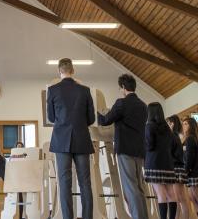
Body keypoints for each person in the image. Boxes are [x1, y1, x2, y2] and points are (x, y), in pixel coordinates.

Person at [47, 58, 95, 219]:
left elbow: (51, 117)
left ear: (59, 71)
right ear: (73, 70)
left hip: (61, 141)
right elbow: (91, 119)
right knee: (85, 183)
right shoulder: (85, 90)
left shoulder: (53, 90)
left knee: (64, 183)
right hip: (82, 139)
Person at [97, 73, 148, 219]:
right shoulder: (143, 106)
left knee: (131, 188)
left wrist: (95, 113)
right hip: (139, 150)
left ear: (124, 87)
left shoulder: (121, 103)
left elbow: (106, 120)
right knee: (139, 187)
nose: (120, 91)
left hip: (125, 150)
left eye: (120, 88)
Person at [144, 103, 178, 219]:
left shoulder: (149, 126)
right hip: (168, 164)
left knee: (160, 194)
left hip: (154, 163)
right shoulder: (168, 129)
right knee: (171, 193)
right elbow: (172, 146)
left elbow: (149, 146)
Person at [167, 115, 190, 219]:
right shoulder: (178, 135)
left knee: (178, 198)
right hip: (179, 167)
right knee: (180, 198)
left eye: (168, 123)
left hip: (176, 168)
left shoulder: (176, 136)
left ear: (172, 123)